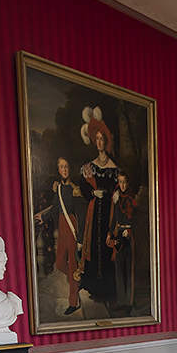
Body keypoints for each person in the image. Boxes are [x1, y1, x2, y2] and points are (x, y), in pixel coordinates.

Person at [78, 107, 119, 308]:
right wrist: (93, 193)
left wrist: (116, 194)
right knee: (94, 246)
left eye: (103, 139)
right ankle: (93, 285)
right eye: (98, 139)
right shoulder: (90, 166)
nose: (100, 142)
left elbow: (119, 186)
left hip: (109, 214)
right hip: (95, 214)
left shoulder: (113, 167)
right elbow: (84, 187)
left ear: (107, 141)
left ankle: (108, 289)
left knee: (107, 245)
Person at [35, 156, 84, 315]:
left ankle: (73, 302)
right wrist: (44, 217)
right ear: (58, 169)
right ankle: (77, 279)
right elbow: (56, 206)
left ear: (70, 169)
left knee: (71, 265)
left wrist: (81, 238)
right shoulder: (59, 189)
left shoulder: (74, 189)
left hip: (71, 225)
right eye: (61, 167)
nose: (64, 169)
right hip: (61, 226)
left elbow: (81, 214)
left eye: (66, 166)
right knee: (59, 262)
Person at [109, 170, 141, 313]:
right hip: (119, 236)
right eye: (120, 182)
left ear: (127, 183)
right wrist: (110, 233)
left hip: (129, 235)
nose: (122, 185)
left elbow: (137, 220)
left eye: (124, 182)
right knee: (118, 270)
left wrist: (130, 230)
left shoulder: (132, 199)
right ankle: (121, 301)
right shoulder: (116, 199)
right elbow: (114, 219)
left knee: (129, 271)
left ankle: (129, 302)